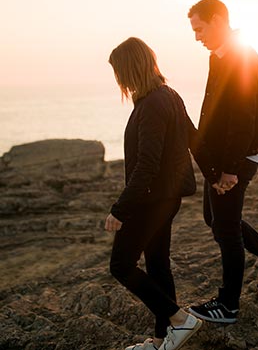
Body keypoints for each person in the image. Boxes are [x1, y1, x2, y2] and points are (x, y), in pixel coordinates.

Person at [187, 0, 258, 324]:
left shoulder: (241, 56)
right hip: (222, 157)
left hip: (235, 159)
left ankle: (228, 306)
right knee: (215, 219)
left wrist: (229, 170)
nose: (196, 37)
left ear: (218, 19)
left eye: (199, 29)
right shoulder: (218, 57)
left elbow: (243, 118)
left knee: (226, 229)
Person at [105, 37, 212, 350]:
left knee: (121, 265)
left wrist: (119, 209)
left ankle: (180, 320)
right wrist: (214, 176)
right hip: (166, 198)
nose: (118, 80)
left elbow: (147, 166)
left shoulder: (152, 104)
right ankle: (164, 338)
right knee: (157, 263)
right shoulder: (168, 95)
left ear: (130, 69)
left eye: (118, 72)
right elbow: (195, 138)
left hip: (151, 199)